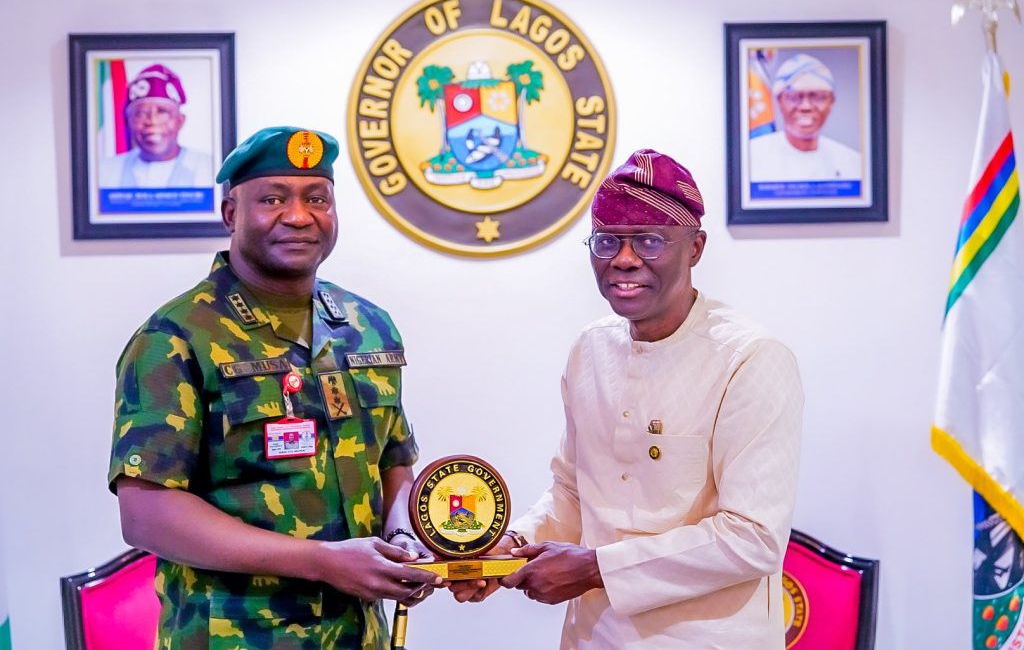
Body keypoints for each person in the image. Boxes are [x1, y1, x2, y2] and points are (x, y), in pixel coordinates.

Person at [452, 149, 804, 648]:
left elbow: (753, 538)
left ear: (695, 247)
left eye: (649, 240)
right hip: (594, 636)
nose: (623, 259)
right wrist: (509, 549)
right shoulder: (591, 348)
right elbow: (573, 491)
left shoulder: (749, 358)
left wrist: (594, 569)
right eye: (607, 241)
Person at [108, 126, 440, 648]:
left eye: (317, 198)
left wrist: (402, 536)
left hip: (358, 635)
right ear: (230, 214)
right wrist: (323, 562)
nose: (299, 216)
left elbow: (394, 462)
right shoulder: (175, 337)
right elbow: (147, 515)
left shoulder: (368, 326)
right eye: (273, 199)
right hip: (235, 636)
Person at [749, 53, 862, 181]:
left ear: (831, 102)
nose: (805, 106)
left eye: (817, 97)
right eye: (794, 97)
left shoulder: (854, 163)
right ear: (779, 102)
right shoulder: (750, 158)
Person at [98, 63, 213, 189]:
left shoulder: (210, 169)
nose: (152, 121)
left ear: (180, 121)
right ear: (128, 121)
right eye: (141, 113)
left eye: (162, 111)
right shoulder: (104, 172)